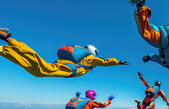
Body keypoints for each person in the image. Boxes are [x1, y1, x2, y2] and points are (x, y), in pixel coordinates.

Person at [0, 28, 129, 78]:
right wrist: (117, 62)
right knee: (41, 69)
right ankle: (9, 39)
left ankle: (3, 50)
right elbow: (104, 62)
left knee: (35, 71)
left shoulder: (82, 57)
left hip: (65, 65)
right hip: (69, 68)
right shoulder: (90, 58)